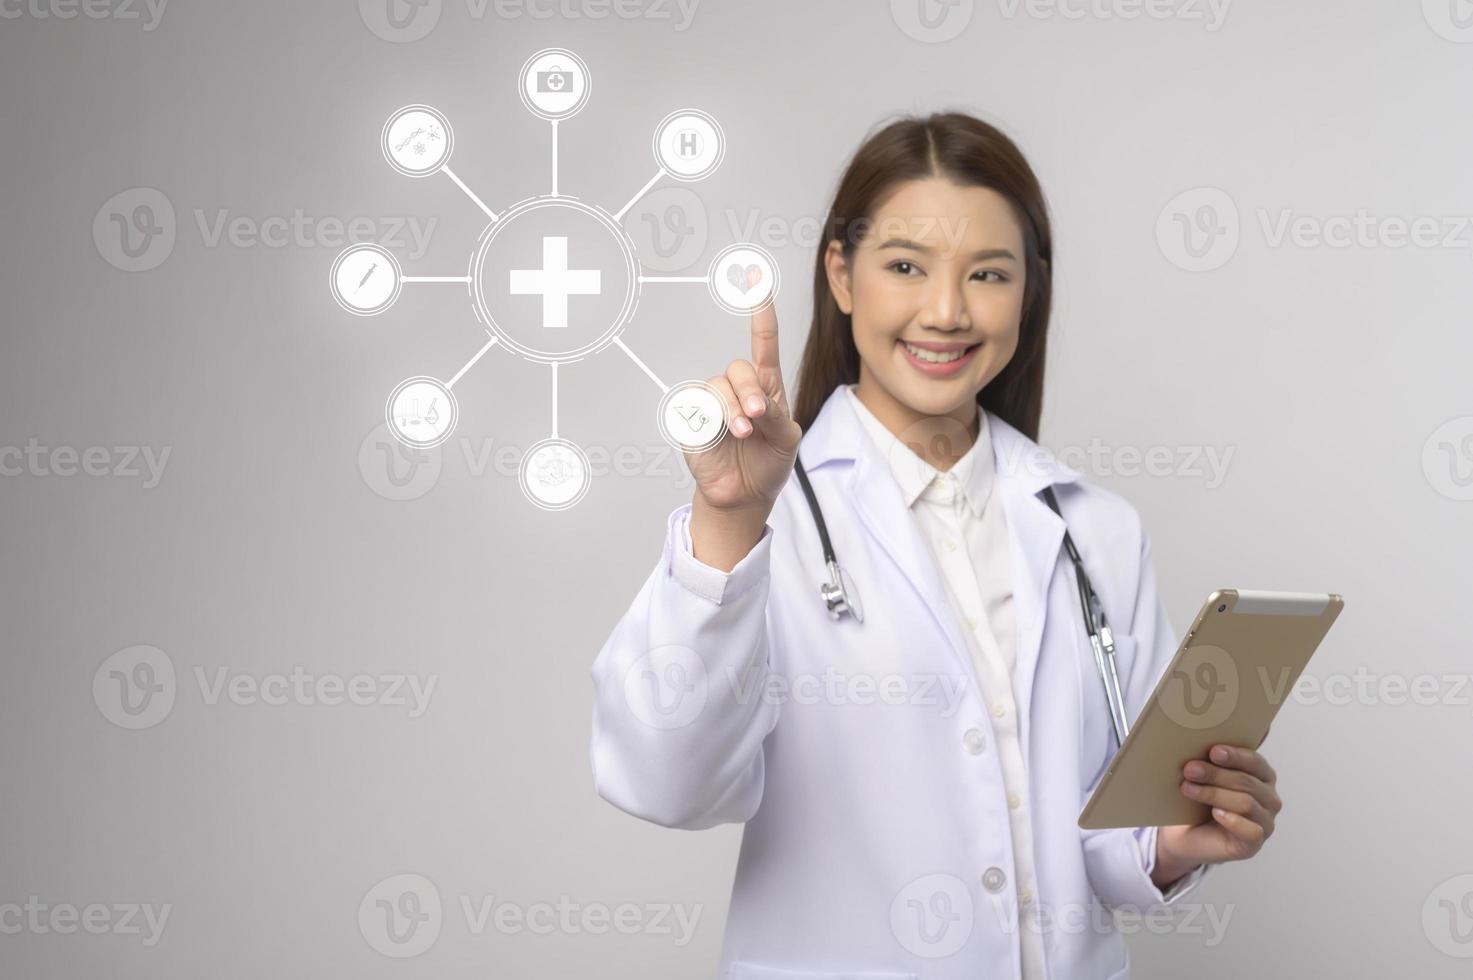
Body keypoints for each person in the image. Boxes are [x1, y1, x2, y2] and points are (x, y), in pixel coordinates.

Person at [589, 111, 1282, 979]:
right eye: (905, 266)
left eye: (987, 274)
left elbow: (1093, 838)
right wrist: (728, 519)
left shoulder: (1093, 529)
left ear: (1029, 289)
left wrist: (1171, 845)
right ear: (841, 275)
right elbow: (663, 783)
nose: (947, 311)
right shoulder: (763, 523)